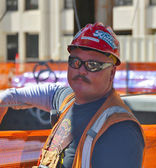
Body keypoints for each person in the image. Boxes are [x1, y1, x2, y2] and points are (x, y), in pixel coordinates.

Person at [0, 23, 145, 168]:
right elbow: (44, 93)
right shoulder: (68, 99)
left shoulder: (121, 130)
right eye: (75, 62)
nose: (81, 70)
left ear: (112, 73)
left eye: (92, 65)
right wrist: (6, 97)